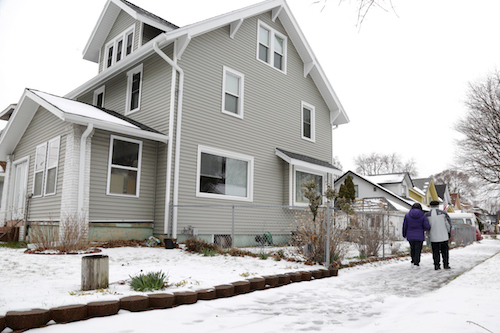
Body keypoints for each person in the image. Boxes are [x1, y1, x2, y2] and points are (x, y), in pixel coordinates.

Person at [426, 200, 452, 270]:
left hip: (433, 237)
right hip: (443, 236)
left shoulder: (427, 215)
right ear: (438, 206)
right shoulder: (443, 213)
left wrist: (429, 235)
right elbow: (448, 224)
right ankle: (446, 264)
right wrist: (448, 233)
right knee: (445, 252)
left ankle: (436, 265)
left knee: (435, 252)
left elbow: (427, 226)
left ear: (430, 206)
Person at [403, 203, 430, 268]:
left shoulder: (407, 215)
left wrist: (404, 234)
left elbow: (404, 226)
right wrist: (427, 228)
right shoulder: (423, 215)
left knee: (412, 248)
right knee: (418, 249)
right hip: (419, 235)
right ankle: (416, 262)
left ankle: (413, 260)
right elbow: (426, 226)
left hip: (410, 235)